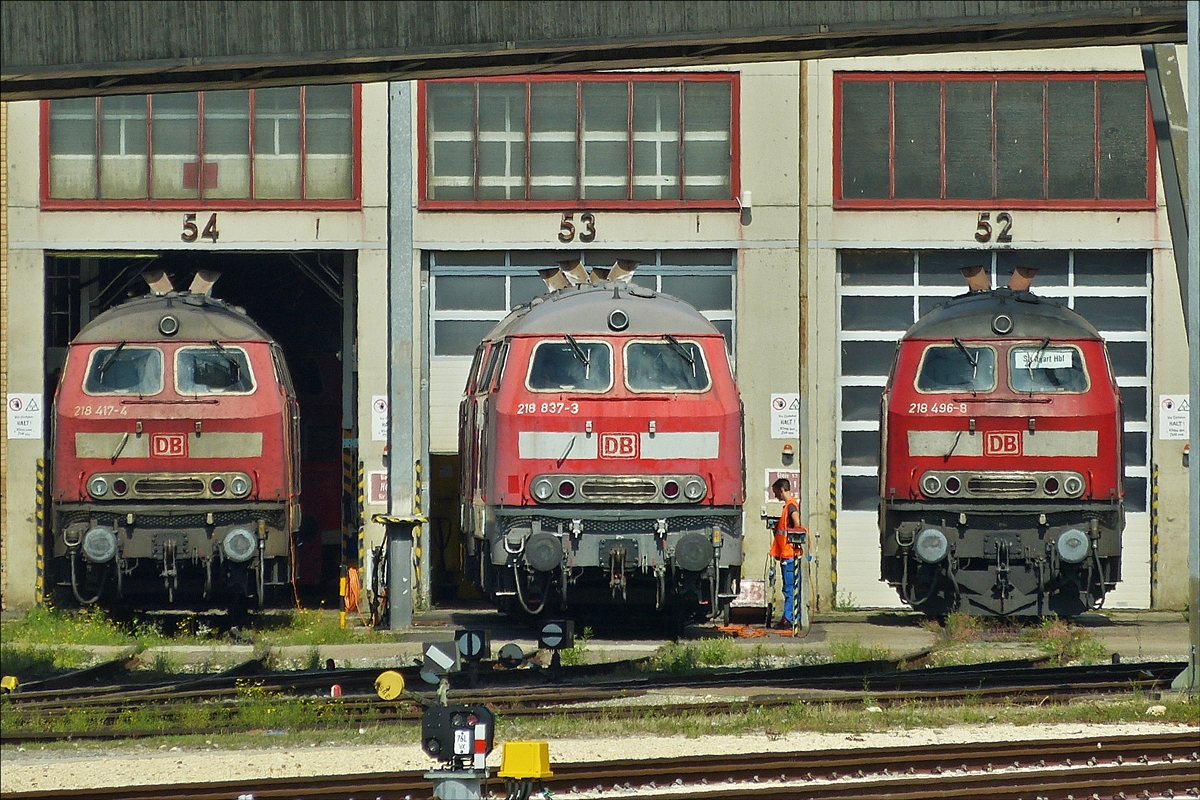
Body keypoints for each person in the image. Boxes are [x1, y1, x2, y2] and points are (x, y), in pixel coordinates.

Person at [770, 477, 805, 630]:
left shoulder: (791, 506)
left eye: (776, 492)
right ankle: (791, 617)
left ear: (782, 489)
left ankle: (789, 619)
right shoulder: (788, 506)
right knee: (790, 589)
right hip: (788, 555)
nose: (776, 495)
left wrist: (796, 531)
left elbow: (796, 523)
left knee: (790, 589)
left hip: (790, 556)